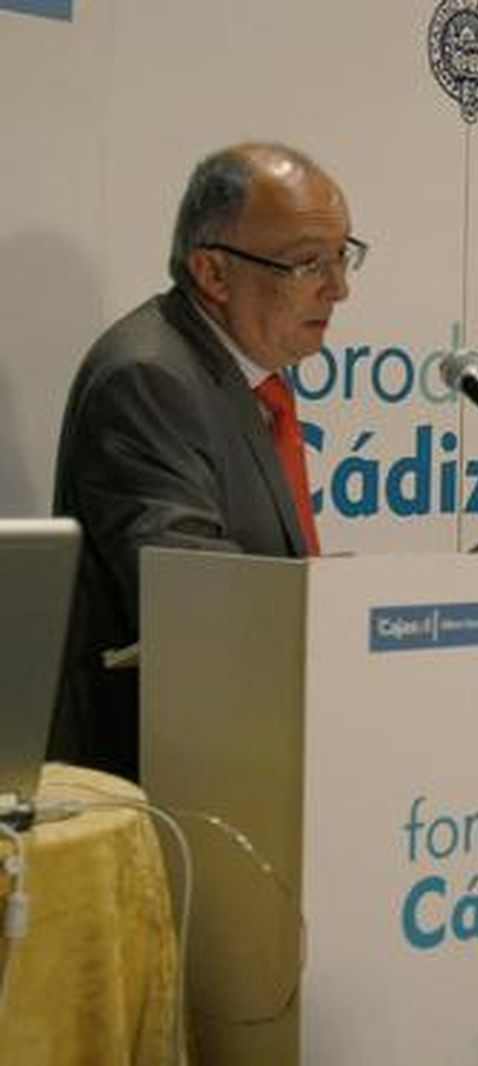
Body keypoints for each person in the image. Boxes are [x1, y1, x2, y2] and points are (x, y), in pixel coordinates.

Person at [50, 143, 363, 779]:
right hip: (153, 776)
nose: (340, 289)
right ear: (213, 274)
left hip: (237, 746)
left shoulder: (239, 373)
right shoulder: (147, 377)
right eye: (309, 263)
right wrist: (341, 615)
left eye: (342, 256)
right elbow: (191, 590)